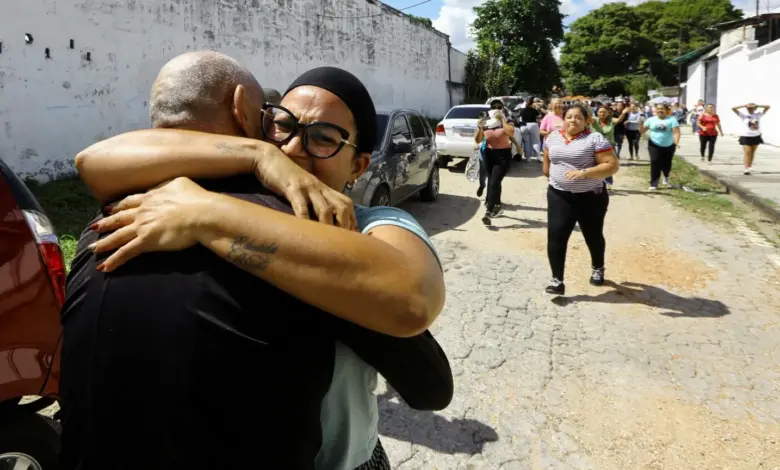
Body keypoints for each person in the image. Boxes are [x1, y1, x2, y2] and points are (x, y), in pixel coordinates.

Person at [62, 54, 451, 470]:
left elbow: (412, 305)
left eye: (324, 137)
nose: (293, 149)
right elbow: (93, 159)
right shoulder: (172, 206)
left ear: (358, 165)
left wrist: (205, 212)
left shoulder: (367, 227)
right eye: (282, 125)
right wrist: (254, 156)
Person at [542, 103, 619, 295]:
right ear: (563, 118)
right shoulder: (553, 137)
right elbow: (547, 160)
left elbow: (612, 166)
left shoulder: (595, 139)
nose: (573, 120)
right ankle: (556, 280)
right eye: (569, 116)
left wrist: (585, 173)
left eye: (578, 117)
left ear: (587, 121)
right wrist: (552, 176)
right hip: (559, 195)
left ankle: (598, 268)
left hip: (591, 198)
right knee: (556, 236)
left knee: (592, 235)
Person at [475, 107, 514, 225]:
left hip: (503, 156)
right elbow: (478, 140)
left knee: (494, 181)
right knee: (493, 181)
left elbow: (511, 132)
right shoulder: (487, 124)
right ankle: (497, 205)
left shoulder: (507, 122)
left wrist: (501, 119)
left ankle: (488, 211)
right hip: (489, 155)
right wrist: (480, 127)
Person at [640, 103, 680, 191]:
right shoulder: (651, 120)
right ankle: (654, 183)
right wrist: (640, 124)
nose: (659, 110)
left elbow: (676, 132)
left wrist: (676, 142)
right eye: (658, 109)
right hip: (654, 144)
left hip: (669, 145)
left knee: (666, 164)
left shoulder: (672, 120)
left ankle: (666, 176)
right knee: (654, 162)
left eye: (662, 109)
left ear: (666, 110)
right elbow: (642, 131)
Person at [591, 104, 628, 189]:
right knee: (595, 165)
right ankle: (596, 182)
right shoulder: (594, 120)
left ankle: (607, 182)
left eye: (604, 112)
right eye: (600, 112)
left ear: (608, 113)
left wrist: (623, 113)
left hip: (609, 147)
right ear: (597, 113)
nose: (602, 114)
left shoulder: (611, 121)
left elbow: (619, 120)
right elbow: (588, 119)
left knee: (608, 166)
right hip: (595, 147)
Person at [732, 102, 771, 175]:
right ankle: (746, 169)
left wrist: (758, 105)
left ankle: (749, 166)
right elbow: (733, 108)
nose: (750, 109)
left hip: (756, 136)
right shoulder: (744, 116)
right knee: (747, 152)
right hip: (745, 136)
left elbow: (768, 107)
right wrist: (744, 105)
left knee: (752, 152)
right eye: (748, 108)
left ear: (755, 108)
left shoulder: (758, 115)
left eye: (752, 108)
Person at [518, 95, 542, 162]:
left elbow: (518, 116)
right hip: (533, 125)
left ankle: (528, 158)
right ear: (532, 103)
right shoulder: (534, 110)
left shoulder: (522, 110)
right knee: (536, 141)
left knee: (526, 142)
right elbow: (539, 116)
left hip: (523, 126)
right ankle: (538, 157)